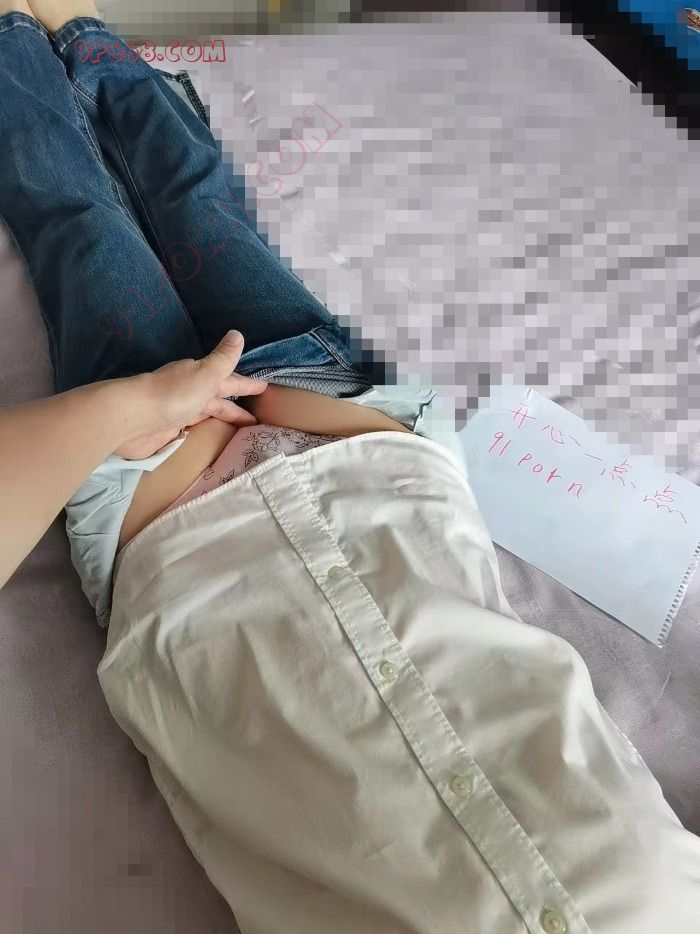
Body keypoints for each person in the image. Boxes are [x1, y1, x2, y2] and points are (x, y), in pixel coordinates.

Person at [0, 4, 698, 932]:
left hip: (176, 522)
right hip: (369, 463)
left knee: (83, 227)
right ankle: (86, 35)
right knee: (203, 204)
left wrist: (126, 418)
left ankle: (13, 39)